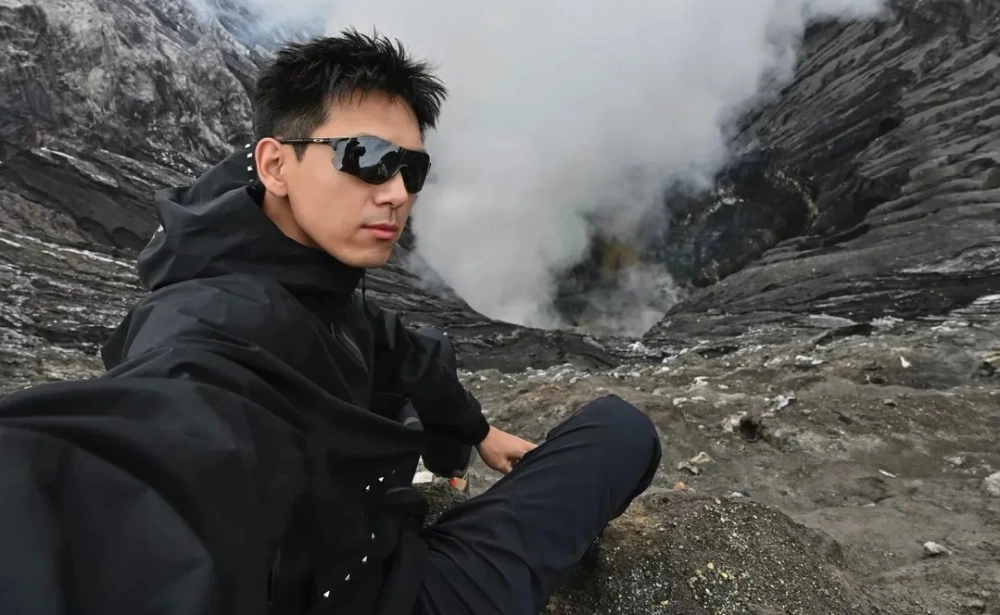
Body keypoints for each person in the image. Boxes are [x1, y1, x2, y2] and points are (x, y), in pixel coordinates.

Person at [0, 29, 662, 615]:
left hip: (350, 534)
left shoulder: (291, 258)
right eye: (367, 158)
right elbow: (154, 456)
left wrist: (476, 430)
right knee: (620, 429)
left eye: (413, 168)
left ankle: (444, 473)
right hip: (384, 590)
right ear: (275, 164)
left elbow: (392, 341)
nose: (398, 191)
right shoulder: (211, 331)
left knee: (415, 357)